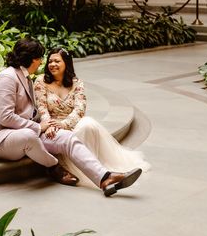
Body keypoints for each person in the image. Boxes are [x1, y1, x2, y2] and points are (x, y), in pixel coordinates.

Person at [0, 38, 142, 196]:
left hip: (29, 133)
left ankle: (104, 178)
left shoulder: (25, 77)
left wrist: (50, 126)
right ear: (33, 59)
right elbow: (6, 117)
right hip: (2, 139)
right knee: (29, 135)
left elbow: (33, 112)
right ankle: (54, 167)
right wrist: (40, 127)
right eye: (41, 58)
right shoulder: (7, 77)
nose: (42, 63)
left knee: (67, 138)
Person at [34, 46, 150, 188]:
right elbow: (42, 108)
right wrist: (50, 125)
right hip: (53, 128)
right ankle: (102, 177)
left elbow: (80, 109)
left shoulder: (77, 83)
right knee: (71, 132)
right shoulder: (41, 82)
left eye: (57, 61)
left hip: (72, 124)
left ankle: (103, 171)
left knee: (88, 123)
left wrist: (65, 124)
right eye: (50, 61)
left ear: (66, 63)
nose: (52, 65)